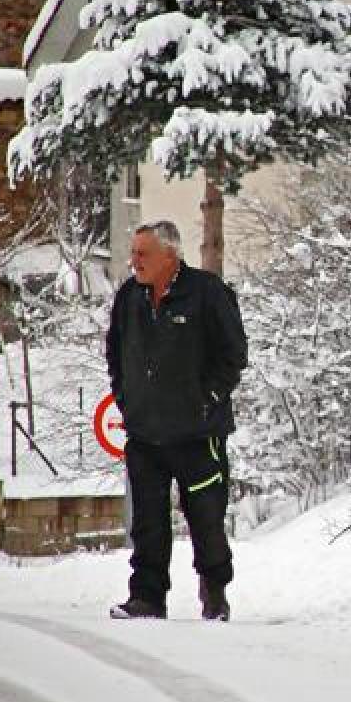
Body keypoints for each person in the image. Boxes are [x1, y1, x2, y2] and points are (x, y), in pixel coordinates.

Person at [105, 220, 247, 621]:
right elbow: (114, 354)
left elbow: (234, 355)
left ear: (170, 255)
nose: (134, 262)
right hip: (145, 434)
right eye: (133, 253)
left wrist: (208, 400)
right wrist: (126, 400)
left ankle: (214, 593)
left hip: (197, 436)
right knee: (147, 522)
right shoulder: (129, 298)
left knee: (206, 520)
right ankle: (147, 598)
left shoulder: (207, 293)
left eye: (142, 254)